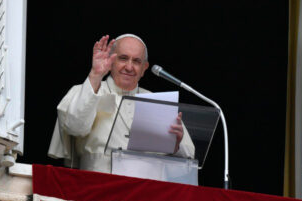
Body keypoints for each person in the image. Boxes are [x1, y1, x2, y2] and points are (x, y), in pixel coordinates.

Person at [48, 34, 194, 173]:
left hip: (148, 191)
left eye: (136, 61)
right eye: (123, 58)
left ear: (144, 68)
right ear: (111, 61)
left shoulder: (158, 102)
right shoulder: (85, 90)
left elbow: (190, 156)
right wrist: (96, 75)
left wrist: (175, 145)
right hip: (96, 187)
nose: (129, 67)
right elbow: (75, 127)